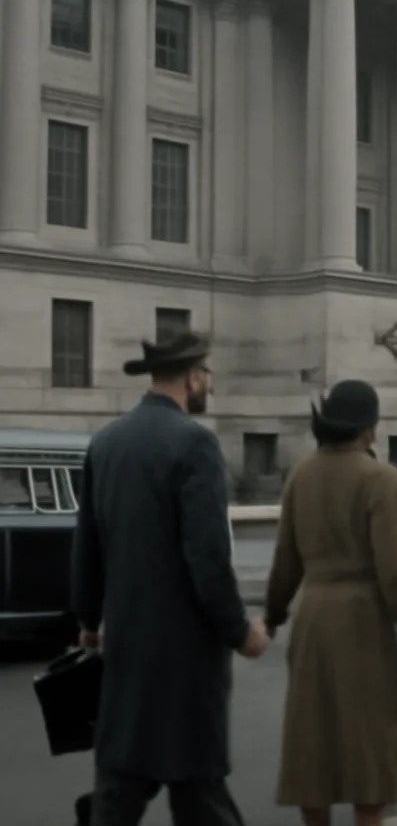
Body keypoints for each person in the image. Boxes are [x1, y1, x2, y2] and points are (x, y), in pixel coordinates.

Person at [71, 332, 268, 826]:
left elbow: (88, 542)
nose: (207, 386)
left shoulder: (107, 442)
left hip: (127, 650)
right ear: (194, 377)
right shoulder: (195, 444)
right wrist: (240, 631)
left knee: (120, 789)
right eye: (207, 377)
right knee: (198, 788)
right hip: (186, 658)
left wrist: (89, 619)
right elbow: (207, 557)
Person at [263, 380, 397, 826]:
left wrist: (272, 617)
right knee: (370, 757)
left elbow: (285, 565)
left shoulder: (301, 476)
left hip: (312, 620)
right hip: (363, 623)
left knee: (314, 749)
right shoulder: (381, 479)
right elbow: (395, 576)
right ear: (369, 429)